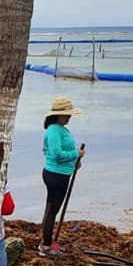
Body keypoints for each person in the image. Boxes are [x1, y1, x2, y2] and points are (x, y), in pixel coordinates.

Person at [39, 96, 84, 257]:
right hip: (56, 176)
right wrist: (75, 154)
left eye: (69, 114)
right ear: (57, 114)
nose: (69, 117)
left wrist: (74, 162)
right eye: (66, 114)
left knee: (51, 208)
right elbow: (56, 154)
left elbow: (47, 151)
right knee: (52, 210)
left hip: (60, 173)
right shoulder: (54, 131)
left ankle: (46, 240)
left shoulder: (60, 130)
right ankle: (46, 246)